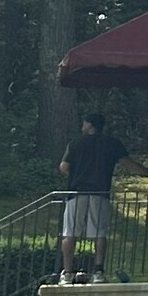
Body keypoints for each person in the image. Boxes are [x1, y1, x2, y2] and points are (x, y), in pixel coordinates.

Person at [57, 112, 128, 285]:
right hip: (100, 193)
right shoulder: (112, 143)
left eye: (84, 124)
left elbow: (64, 166)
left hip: (76, 193)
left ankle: (67, 273)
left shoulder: (76, 143)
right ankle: (98, 271)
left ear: (89, 125)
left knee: (70, 233)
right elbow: (128, 164)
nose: (82, 127)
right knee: (99, 233)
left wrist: (76, 174)